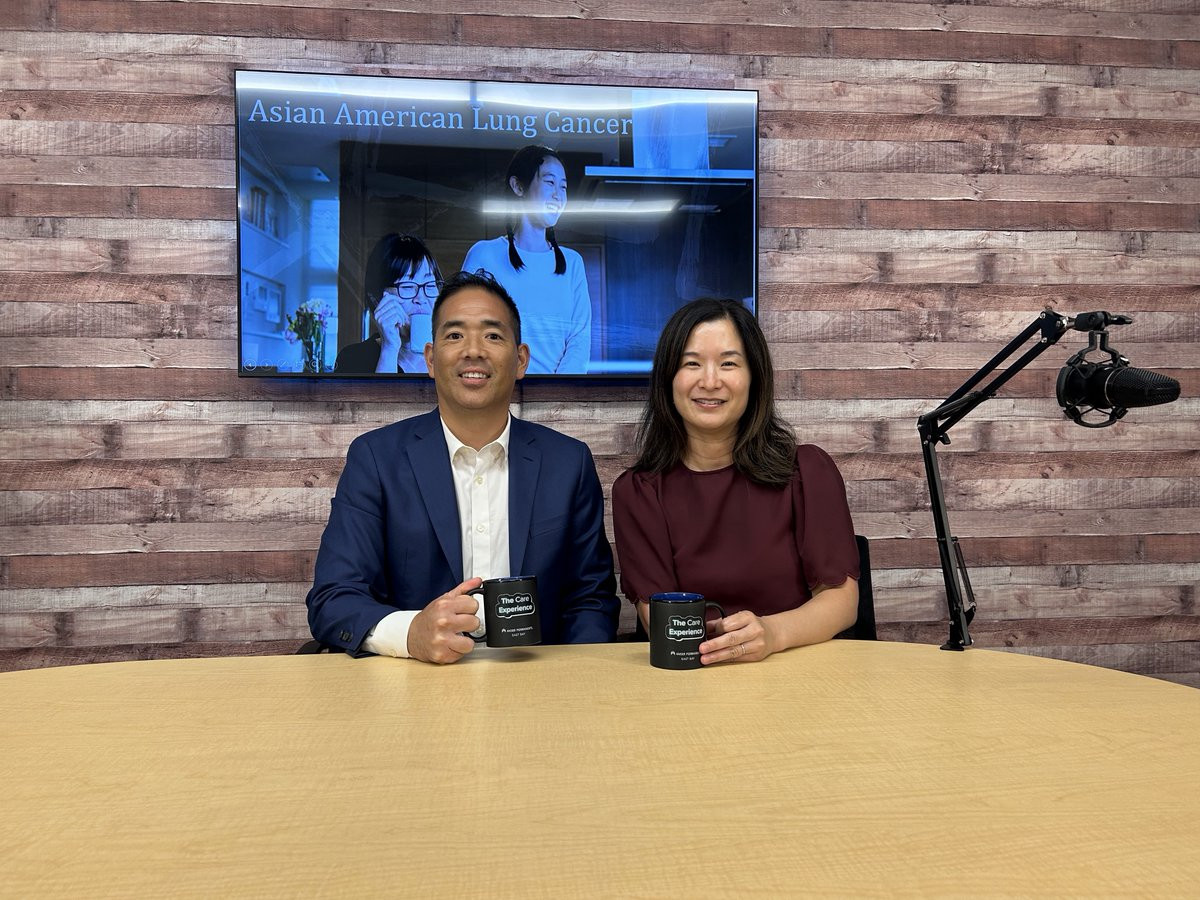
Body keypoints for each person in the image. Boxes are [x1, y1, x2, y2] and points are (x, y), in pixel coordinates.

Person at [308, 270, 620, 661]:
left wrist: (570, 680)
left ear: (521, 359)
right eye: (455, 335)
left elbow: (591, 599)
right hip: (416, 678)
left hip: (538, 678)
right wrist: (411, 634)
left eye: (493, 335)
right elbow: (334, 597)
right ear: (430, 358)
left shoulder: (568, 463)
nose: (473, 350)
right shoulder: (376, 459)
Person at [611, 298, 859, 665]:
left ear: (754, 377)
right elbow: (661, 625)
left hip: (798, 672)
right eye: (691, 363)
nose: (710, 381)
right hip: (694, 676)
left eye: (728, 363)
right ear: (667, 378)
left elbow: (842, 602)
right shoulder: (638, 491)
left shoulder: (806, 471)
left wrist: (772, 634)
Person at [461, 145, 591, 374]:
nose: (558, 194)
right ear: (518, 186)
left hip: (557, 392)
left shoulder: (573, 263)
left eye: (563, 187)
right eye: (550, 182)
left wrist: (558, 389)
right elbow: (463, 327)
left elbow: (580, 340)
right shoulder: (483, 254)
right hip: (497, 388)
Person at [334, 232, 442, 374]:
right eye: (407, 286)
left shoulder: (453, 354)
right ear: (377, 299)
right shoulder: (353, 358)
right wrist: (389, 348)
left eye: (430, 285)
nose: (421, 298)